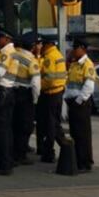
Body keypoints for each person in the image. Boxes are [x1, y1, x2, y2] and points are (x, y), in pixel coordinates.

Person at [0, 29, 18, 175]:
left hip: (3, 92)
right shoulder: (13, 52)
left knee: (2, 130)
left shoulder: (6, 52)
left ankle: (4, 165)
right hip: (9, 91)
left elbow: (0, 72)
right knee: (7, 129)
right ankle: (8, 161)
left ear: (6, 39)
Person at [65, 37, 96, 171]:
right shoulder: (74, 64)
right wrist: (67, 98)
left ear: (82, 49)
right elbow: (69, 84)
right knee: (75, 133)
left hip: (81, 104)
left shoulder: (87, 65)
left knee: (83, 134)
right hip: (72, 102)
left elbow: (88, 87)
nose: (73, 50)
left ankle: (85, 163)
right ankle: (77, 160)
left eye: (75, 48)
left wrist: (78, 101)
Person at [36, 34, 67, 163]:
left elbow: (48, 79)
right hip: (57, 93)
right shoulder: (57, 55)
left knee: (50, 124)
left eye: (43, 44)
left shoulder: (50, 57)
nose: (41, 46)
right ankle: (60, 146)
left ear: (48, 44)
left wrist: (38, 86)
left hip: (50, 94)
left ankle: (51, 151)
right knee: (53, 123)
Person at [11, 34, 41, 165]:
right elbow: (35, 84)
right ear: (33, 47)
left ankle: (12, 152)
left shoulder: (13, 55)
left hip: (12, 93)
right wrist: (35, 100)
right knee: (25, 126)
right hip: (25, 96)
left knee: (13, 124)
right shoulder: (31, 61)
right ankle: (21, 154)